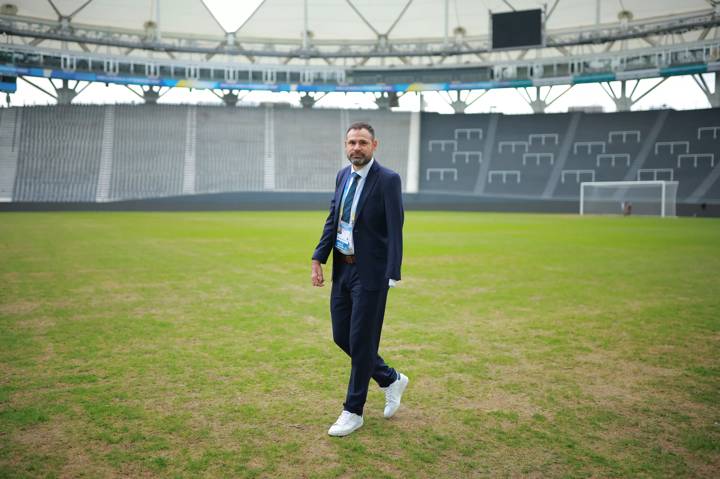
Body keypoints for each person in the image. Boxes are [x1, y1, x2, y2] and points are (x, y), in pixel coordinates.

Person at [311, 122, 409, 437]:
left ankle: (353, 411)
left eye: (362, 142)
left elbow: (396, 228)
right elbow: (333, 218)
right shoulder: (342, 175)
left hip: (371, 274)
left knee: (363, 341)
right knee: (343, 336)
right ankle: (390, 377)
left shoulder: (388, 180)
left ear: (374, 145)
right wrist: (318, 257)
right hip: (343, 269)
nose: (356, 148)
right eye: (352, 142)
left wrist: (392, 273)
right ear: (346, 145)